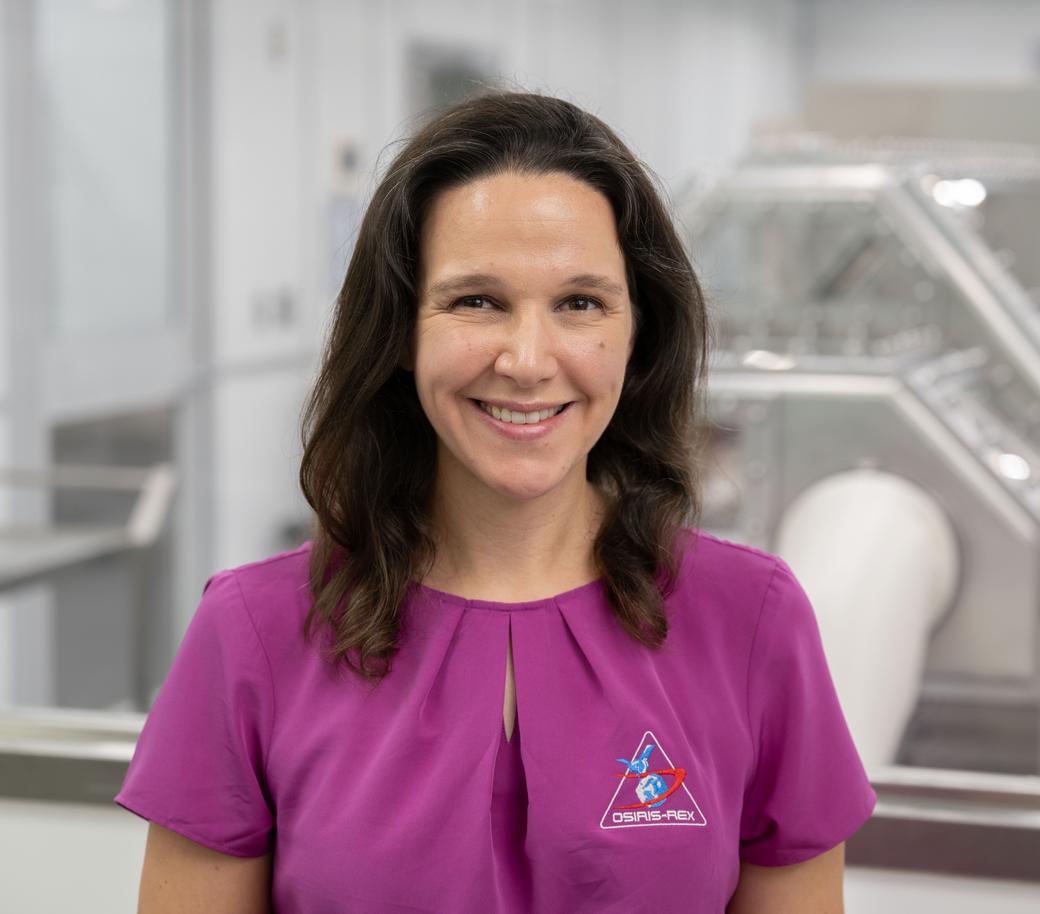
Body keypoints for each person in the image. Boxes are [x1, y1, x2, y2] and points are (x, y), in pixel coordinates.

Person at [115, 91, 876, 913]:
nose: (526, 359)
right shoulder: (255, 633)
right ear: (402, 333)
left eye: (579, 303)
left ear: (637, 333)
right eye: (476, 300)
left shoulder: (751, 620)